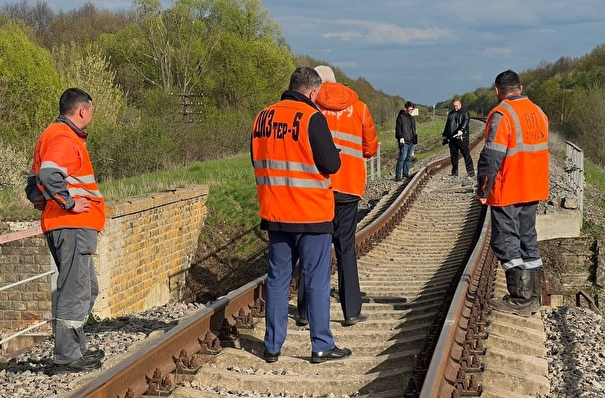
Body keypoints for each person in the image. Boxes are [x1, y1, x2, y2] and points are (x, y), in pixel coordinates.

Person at [250, 67, 352, 364]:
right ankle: (321, 345)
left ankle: (272, 347)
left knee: (278, 279)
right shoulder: (311, 118)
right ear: (313, 91)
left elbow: (257, 158)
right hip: (311, 214)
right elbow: (331, 164)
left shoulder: (262, 117)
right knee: (317, 280)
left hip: (276, 213)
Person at [25, 88, 106, 372]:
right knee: (75, 291)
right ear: (82, 110)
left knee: (87, 288)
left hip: (65, 226)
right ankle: (67, 356)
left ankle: (76, 350)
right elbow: (49, 175)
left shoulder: (49, 135)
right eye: (91, 111)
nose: (91, 116)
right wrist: (68, 203)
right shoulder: (65, 137)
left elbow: (34, 180)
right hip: (72, 226)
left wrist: (42, 198)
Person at [295, 65, 378, 328]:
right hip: (349, 188)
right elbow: (371, 147)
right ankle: (351, 311)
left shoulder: (309, 106)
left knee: (312, 249)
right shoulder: (360, 107)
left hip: (318, 187)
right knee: (346, 250)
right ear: (337, 82)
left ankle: (305, 312)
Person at [474, 70, 549, 316]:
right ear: (520, 87)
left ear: (498, 91)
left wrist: (483, 188)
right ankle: (534, 296)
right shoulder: (538, 112)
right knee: (528, 238)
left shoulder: (501, 114)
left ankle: (520, 298)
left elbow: (492, 155)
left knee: (505, 241)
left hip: (509, 188)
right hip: (533, 187)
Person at [442, 99, 475, 181]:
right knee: (453, 156)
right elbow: (447, 125)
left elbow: (466, 121)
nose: (455, 107)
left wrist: (461, 130)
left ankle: (471, 173)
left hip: (461, 138)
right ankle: (454, 172)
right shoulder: (451, 113)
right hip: (452, 138)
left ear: (460, 104)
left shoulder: (465, 112)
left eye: (456, 106)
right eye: (454, 106)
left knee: (466, 154)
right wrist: (445, 135)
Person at [395, 101, 418, 180]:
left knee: (408, 158)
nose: (411, 111)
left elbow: (414, 130)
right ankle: (398, 175)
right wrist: (400, 137)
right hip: (404, 141)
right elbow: (398, 128)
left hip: (411, 141)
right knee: (402, 158)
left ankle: (405, 173)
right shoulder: (401, 117)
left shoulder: (412, 118)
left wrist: (415, 141)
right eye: (410, 109)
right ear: (406, 108)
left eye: (412, 109)